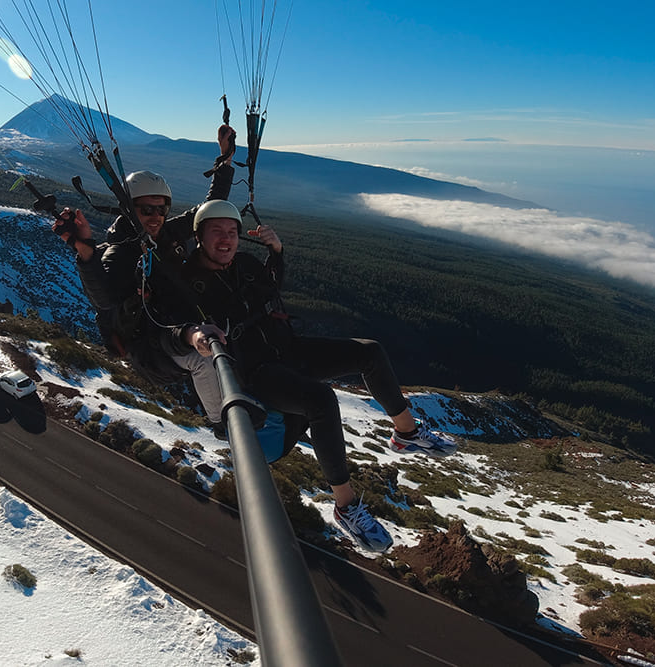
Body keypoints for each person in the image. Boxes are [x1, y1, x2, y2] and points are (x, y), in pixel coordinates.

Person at [157, 199, 455, 553]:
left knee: (369, 352)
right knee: (321, 400)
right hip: (257, 372)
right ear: (199, 237)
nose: (227, 240)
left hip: (289, 349)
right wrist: (193, 335)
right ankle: (346, 506)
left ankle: (406, 433)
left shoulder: (246, 264)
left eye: (232, 233)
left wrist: (277, 252)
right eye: (216, 232)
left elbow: (270, 287)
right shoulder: (189, 282)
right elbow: (170, 328)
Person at [53, 125, 235, 432]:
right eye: (146, 209)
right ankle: (224, 425)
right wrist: (86, 251)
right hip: (151, 348)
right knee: (204, 359)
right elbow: (105, 299)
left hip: (180, 326)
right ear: (128, 210)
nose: (156, 217)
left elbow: (208, 210)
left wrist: (224, 161)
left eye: (162, 209)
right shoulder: (118, 253)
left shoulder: (164, 235)